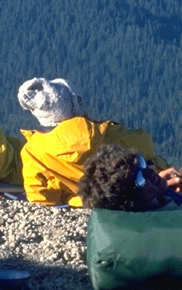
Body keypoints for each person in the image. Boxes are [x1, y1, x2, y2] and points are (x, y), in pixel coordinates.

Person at [17, 77, 163, 206]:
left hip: (89, 203)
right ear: (73, 107)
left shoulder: (33, 152)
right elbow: (146, 144)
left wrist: (72, 200)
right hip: (142, 195)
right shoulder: (106, 134)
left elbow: (40, 198)